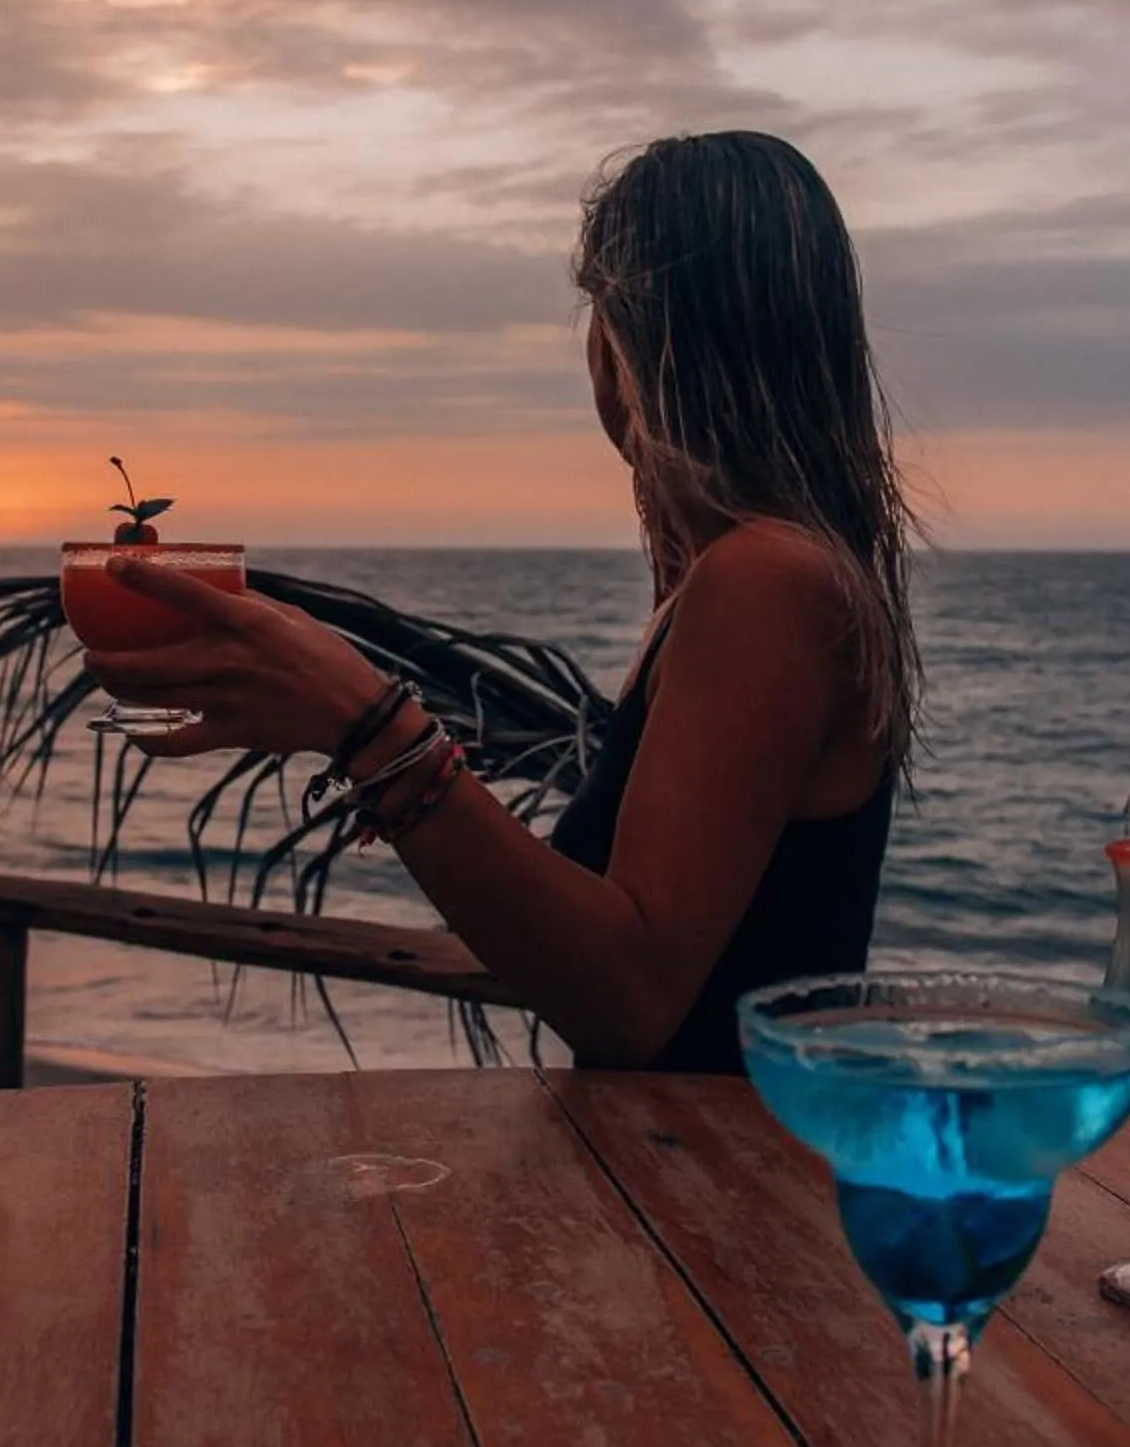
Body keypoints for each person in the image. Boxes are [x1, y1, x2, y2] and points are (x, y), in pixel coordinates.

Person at [84, 131, 919, 1073]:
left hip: (732, 1163)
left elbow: (630, 999)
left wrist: (370, 730)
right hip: (710, 1154)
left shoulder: (767, 578)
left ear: (628, 344)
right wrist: (356, 733)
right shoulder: (768, 574)